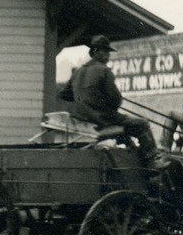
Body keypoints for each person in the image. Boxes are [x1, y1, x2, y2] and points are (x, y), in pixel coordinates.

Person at [59, 35, 168, 170]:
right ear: (96, 52)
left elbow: (63, 94)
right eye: (105, 52)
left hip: (82, 121)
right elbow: (115, 100)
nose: (108, 56)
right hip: (101, 119)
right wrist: (100, 101)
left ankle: (132, 154)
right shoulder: (104, 71)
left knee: (126, 127)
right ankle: (152, 162)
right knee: (142, 124)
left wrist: (82, 97)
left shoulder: (78, 71)